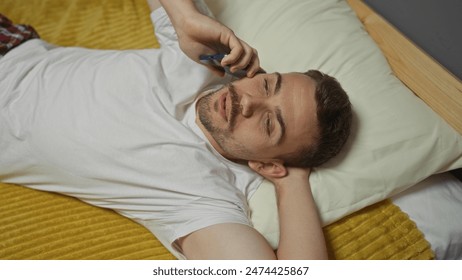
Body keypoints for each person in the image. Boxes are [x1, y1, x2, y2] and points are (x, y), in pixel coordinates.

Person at [0, 0, 352, 259]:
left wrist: (290, 181)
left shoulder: (202, 197)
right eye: (266, 86)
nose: (247, 102)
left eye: (269, 123)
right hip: (12, 45)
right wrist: (186, 19)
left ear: (270, 164)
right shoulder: (211, 58)